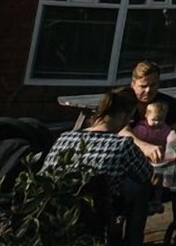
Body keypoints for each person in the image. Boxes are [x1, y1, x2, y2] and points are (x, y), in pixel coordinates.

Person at [44, 89, 153, 246]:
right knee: (139, 187)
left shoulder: (64, 138)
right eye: (130, 118)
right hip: (99, 217)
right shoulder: (122, 145)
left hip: (58, 214)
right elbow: (146, 173)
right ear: (123, 116)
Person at [119, 61, 176, 162]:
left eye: (153, 85)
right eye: (143, 86)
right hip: (127, 156)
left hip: (161, 159)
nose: (148, 90)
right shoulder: (124, 102)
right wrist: (146, 147)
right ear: (133, 85)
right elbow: (122, 131)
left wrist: (172, 153)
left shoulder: (168, 103)